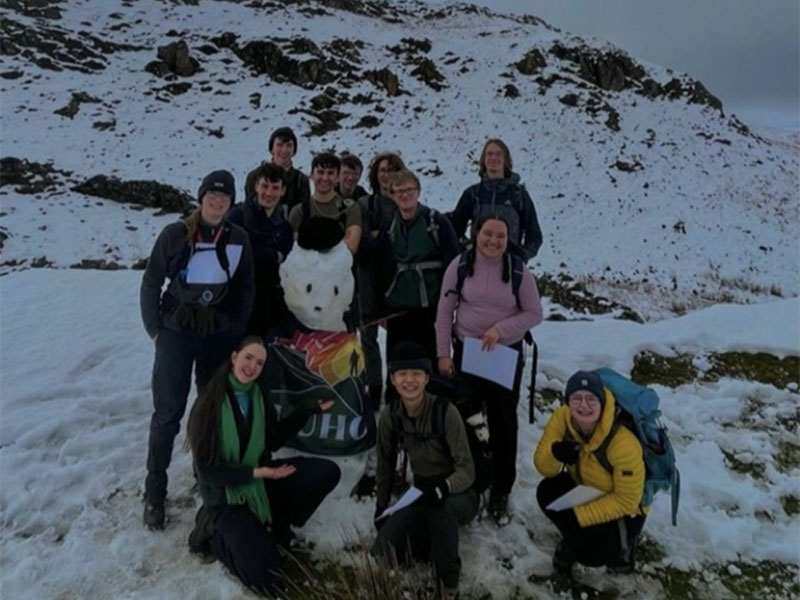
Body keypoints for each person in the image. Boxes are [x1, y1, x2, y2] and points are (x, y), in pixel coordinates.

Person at [140, 170, 255, 530]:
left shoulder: (238, 238)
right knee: (167, 412)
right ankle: (154, 492)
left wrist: (237, 328)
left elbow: (246, 285)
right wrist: (155, 329)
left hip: (218, 332)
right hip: (176, 331)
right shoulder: (175, 234)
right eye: (212, 195)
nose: (217, 202)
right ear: (201, 196)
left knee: (209, 410)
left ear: (231, 202)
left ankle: (206, 478)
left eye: (224, 197)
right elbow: (152, 280)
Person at [186, 336, 341, 596]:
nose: (252, 366)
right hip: (225, 498)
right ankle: (212, 532)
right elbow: (206, 471)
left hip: (259, 483)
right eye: (248, 357)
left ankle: (276, 523)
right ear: (234, 357)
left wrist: (307, 411)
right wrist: (257, 472)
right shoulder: (208, 404)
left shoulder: (258, 396)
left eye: (260, 362)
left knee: (326, 473)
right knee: (264, 578)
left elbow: (272, 438)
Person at [435, 214, 543, 524]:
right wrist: (444, 354)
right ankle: (473, 479)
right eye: (487, 234)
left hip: (504, 356)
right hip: (466, 352)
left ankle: (500, 490)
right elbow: (445, 311)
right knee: (465, 418)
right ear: (475, 233)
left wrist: (500, 329)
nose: (493, 241)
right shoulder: (459, 265)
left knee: (503, 422)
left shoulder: (519, 271)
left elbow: (534, 313)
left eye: (501, 236)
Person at [372, 342, 478, 600]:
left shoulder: (445, 411)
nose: (410, 381)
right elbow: (384, 461)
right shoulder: (391, 416)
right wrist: (382, 506)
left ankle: (447, 586)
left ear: (427, 378)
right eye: (402, 374)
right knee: (382, 551)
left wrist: (446, 487)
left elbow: (467, 469)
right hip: (421, 491)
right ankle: (433, 542)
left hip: (459, 493)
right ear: (393, 379)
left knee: (440, 510)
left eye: (417, 374)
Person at [534, 371, 647, 576]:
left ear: (602, 403)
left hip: (624, 509)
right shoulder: (563, 417)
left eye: (591, 399)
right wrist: (555, 453)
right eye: (576, 398)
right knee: (546, 492)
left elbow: (627, 501)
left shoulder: (623, 443)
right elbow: (544, 468)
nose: (583, 406)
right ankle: (574, 540)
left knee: (592, 554)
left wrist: (579, 517)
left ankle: (623, 547)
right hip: (586, 488)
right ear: (567, 402)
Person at [380, 169, 459, 402]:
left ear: (418, 192)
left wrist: (451, 301)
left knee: (430, 364)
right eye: (399, 191)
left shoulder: (436, 222)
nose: (405, 195)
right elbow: (383, 265)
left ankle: (433, 414)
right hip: (398, 308)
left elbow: (453, 262)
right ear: (392, 196)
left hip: (430, 305)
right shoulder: (390, 226)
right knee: (397, 363)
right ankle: (396, 417)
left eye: (409, 190)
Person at [356, 152, 406, 409]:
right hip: (367, 279)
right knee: (368, 337)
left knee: (396, 337)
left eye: (391, 169)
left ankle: (395, 389)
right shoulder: (366, 205)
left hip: (397, 282)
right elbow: (362, 244)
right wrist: (385, 240)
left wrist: (379, 237)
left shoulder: (405, 205)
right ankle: (374, 386)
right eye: (382, 170)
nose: (386, 174)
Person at [227, 163, 294, 339]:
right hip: (238, 302)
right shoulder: (237, 216)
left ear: (283, 191)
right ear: (256, 185)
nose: (269, 193)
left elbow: (287, 262)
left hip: (272, 306)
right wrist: (272, 255)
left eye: (275, 188)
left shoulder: (285, 227)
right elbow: (233, 257)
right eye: (265, 186)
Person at [449, 138, 543, 262]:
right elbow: (455, 229)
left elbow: (535, 236)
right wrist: (468, 248)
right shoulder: (473, 194)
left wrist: (522, 256)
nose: (493, 158)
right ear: (483, 159)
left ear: (506, 160)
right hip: (476, 265)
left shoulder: (519, 196)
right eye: (489, 154)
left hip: (509, 266)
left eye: (498, 154)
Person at [288, 152, 362, 255]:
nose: (325, 178)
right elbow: (294, 249)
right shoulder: (299, 211)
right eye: (320, 172)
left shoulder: (350, 209)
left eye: (330, 173)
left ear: (337, 177)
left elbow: (352, 247)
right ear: (312, 175)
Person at [244, 126, 310, 210]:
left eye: (289, 145)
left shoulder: (301, 181)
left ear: (294, 150)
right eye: (279, 145)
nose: (284, 150)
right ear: (272, 149)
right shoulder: (254, 177)